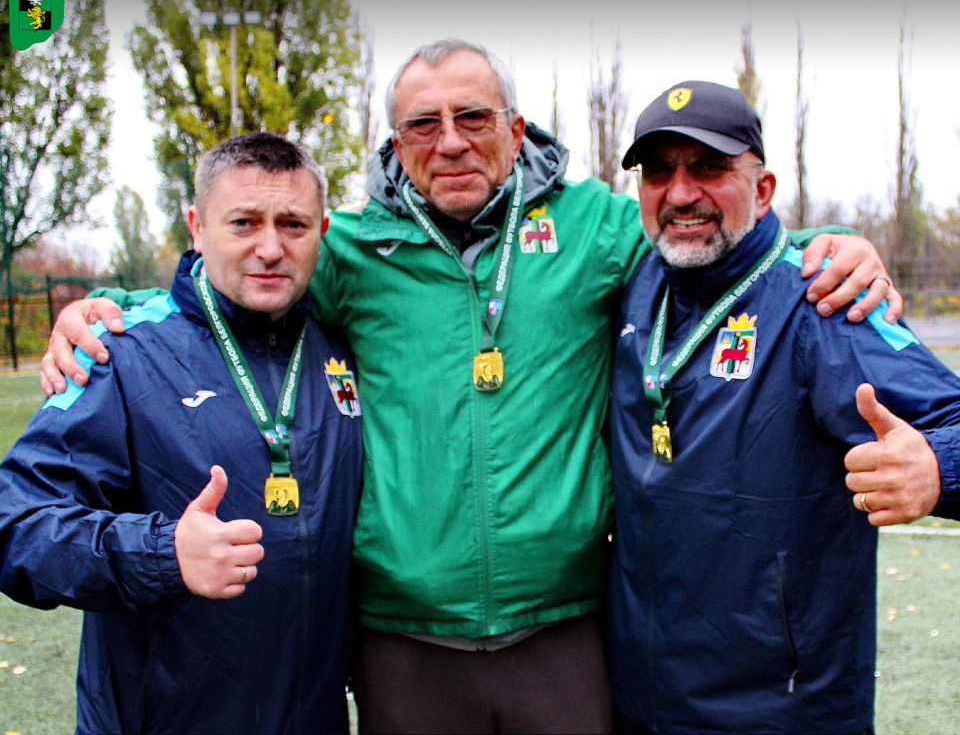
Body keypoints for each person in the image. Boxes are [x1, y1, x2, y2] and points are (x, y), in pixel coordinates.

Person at [39, 41, 900, 733]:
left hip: (562, 627)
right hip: (402, 638)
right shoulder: (350, 249)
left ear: (515, 129)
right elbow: (242, 278)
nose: (449, 141)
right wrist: (109, 309)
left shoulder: (593, 227)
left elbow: (706, 232)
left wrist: (827, 245)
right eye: (423, 124)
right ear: (395, 144)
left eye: (473, 117)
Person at [608, 80, 960, 733]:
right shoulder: (635, 284)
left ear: (763, 188)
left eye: (709, 167)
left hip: (781, 711)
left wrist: (939, 465)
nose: (680, 193)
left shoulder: (825, 302)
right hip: (642, 702)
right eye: (659, 171)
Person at [0, 133, 363, 734]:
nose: (270, 247)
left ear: (321, 231)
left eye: (293, 225)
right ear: (197, 227)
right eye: (243, 222)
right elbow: (16, 522)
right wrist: (163, 552)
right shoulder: (119, 354)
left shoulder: (341, 348)